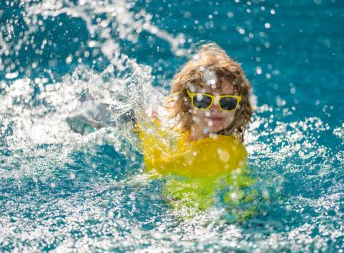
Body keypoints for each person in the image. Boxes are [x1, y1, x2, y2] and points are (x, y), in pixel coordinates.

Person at [67, 42, 255, 212]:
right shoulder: (188, 133)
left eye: (228, 102)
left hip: (215, 221)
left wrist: (148, 129)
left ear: (238, 108)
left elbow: (162, 169)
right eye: (204, 100)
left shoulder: (223, 150)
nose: (215, 109)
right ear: (186, 104)